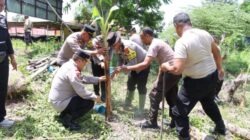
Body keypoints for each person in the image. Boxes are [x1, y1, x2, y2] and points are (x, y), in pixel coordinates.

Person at [161, 12, 226, 139]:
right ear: (189, 23)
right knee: (208, 102)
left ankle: (184, 137)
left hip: (196, 81)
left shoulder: (181, 42)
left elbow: (177, 69)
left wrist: (165, 66)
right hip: (212, 76)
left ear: (177, 26)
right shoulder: (204, 33)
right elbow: (217, 50)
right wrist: (220, 68)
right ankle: (221, 127)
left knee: (178, 112)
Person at [120, 27, 181, 129]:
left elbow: (145, 64)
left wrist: (127, 67)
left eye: (142, 38)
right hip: (175, 71)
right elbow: (161, 64)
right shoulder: (158, 42)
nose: (142, 40)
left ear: (148, 36)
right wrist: (158, 79)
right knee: (171, 97)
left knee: (154, 95)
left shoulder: (154, 45)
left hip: (170, 71)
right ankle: (175, 121)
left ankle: (152, 122)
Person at [49, 50, 106, 131]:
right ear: (79, 61)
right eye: (85, 62)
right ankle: (66, 120)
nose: (85, 65)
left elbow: (82, 78)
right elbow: (81, 91)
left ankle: (65, 113)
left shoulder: (69, 65)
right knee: (89, 102)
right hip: (59, 102)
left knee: (85, 98)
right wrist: (96, 97)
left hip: (58, 100)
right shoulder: (72, 70)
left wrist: (98, 79)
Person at [107, 32, 150, 116]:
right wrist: (118, 68)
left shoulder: (129, 47)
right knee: (130, 83)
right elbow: (121, 60)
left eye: (114, 45)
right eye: (112, 46)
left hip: (143, 64)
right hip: (132, 64)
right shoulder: (119, 47)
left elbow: (132, 65)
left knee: (141, 85)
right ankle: (128, 102)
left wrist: (121, 69)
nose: (113, 48)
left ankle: (141, 108)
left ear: (118, 41)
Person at [0, 0, 17, 128]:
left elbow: (7, 39)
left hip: (3, 58)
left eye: (3, 4)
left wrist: (12, 58)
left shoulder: (2, 18)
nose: (1, 6)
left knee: (2, 88)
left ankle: (0, 118)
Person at [90, 35, 106, 102]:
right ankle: (97, 95)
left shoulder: (108, 40)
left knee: (103, 79)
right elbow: (95, 53)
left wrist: (105, 61)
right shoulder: (94, 41)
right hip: (95, 62)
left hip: (105, 62)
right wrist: (100, 62)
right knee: (96, 79)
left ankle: (104, 96)